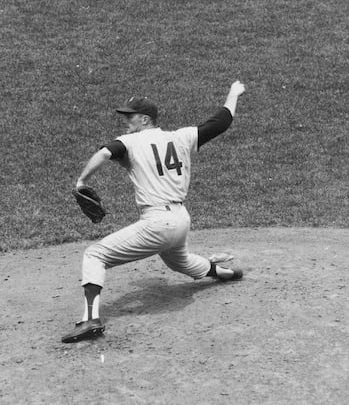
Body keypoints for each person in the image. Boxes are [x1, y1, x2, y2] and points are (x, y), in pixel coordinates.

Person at [62, 80, 247, 343]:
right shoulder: (181, 136)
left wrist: (81, 181)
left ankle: (90, 320)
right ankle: (226, 273)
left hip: (158, 223)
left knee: (95, 255)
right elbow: (221, 121)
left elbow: (103, 153)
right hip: (181, 220)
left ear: (146, 119)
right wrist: (233, 93)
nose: (126, 121)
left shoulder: (129, 142)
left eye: (131, 116)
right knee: (179, 262)